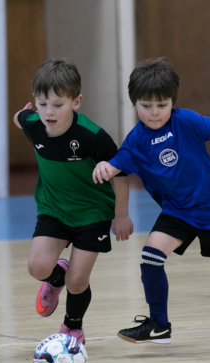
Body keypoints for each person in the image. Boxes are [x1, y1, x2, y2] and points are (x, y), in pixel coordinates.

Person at [92, 57, 210, 346]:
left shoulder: (186, 121)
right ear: (134, 104)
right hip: (177, 211)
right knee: (151, 255)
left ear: (172, 102)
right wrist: (105, 166)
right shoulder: (136, 140)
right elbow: (118, 166)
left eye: (162, 105)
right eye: (146, 106)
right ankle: (159, 324)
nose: (154, 112)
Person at [14, 59, 133, 344]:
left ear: (76, 102)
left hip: (93, 213)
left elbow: (120, 176)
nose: (49, 112)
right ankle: (56, 279)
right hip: (53, 209)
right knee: (37, 267)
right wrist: (23, 114)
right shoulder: (34, 124)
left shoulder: (93, 137)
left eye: (58, 104)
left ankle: (73, 327)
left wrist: (121, 215)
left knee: (78, 281)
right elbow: (20, 117)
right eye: (42, 104)